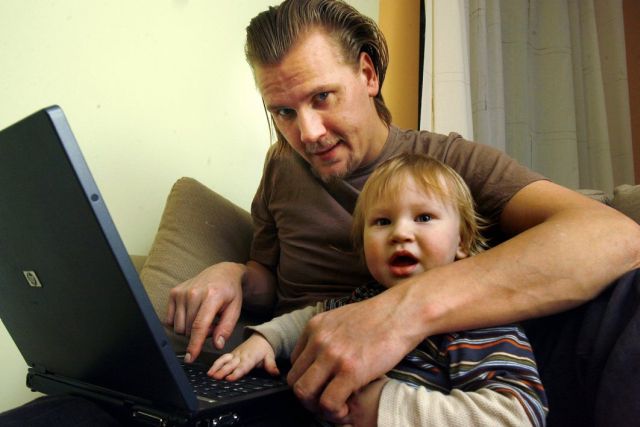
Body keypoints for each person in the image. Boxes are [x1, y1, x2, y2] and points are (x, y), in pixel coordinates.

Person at [165, 0, 640, 425]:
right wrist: (232, 275)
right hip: (291, 382)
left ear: (367, 75)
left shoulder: (446, 164)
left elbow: (616, 237)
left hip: (422, 387)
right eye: (283, 112)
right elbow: (266, 277)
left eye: (322, 97)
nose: (307, 133)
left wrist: (398, 314)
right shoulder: (282, 166)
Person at [209, 153, 549, 427]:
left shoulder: (476, 319)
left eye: (424, 217)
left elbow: (517, 415)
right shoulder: (364, 298)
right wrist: (266, 340)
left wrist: (385, 406)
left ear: (461, 241)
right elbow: (313, 320)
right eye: (382, 222)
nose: (400, 233)